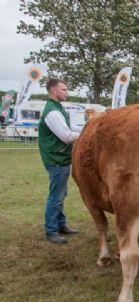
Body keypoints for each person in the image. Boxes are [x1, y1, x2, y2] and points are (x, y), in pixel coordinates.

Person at [38, 78, 81, 244]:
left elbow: (70, 128)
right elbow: (66, 136)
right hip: (56, 159)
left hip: (60, 158)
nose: (66, 92)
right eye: (63, 89)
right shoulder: (53, 112)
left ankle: (61, 225)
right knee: (56, 196)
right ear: (53, 91)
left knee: (60, 194)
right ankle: (51, 231)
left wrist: (89, 126)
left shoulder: (57, 108)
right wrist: (89, 134)